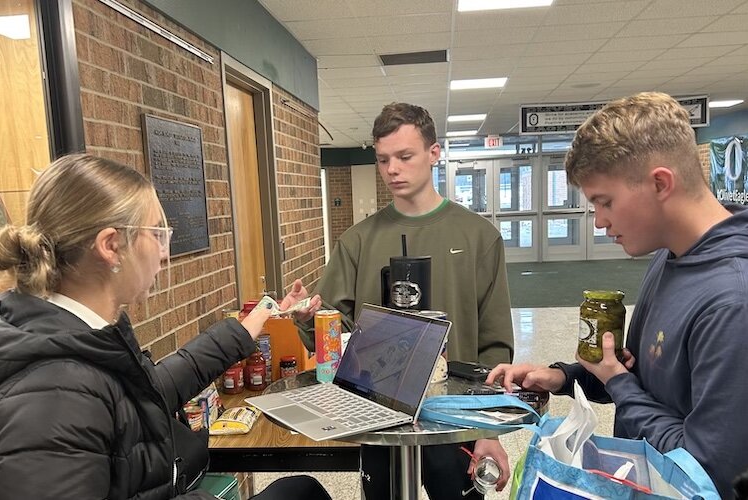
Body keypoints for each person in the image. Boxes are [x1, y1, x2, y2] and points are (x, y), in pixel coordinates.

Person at [0, 154, 329, 500]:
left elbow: (153, 388)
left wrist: (255, 321)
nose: (165, 253)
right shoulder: (55, 393)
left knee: (301, 491)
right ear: (111, 246)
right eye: (157, 234)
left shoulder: (76, 333)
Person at [487, 92, 748, 499]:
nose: (599, 221)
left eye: (605, 202)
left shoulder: (732, 300)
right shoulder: (670, 256)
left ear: (660, 183)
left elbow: (706, 473)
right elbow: (645, 380)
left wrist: (621, 384)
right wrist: (565, 377)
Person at [298, 103, 514, 498]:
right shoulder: (358, 241)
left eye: (404, 156)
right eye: (383, 160)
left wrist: (489, 429)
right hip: (379, 416)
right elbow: (330, 335)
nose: (392, 169)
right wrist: (305, 316)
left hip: (455, 416)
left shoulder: (479, 237)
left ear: (434, 153)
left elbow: (496, 344)